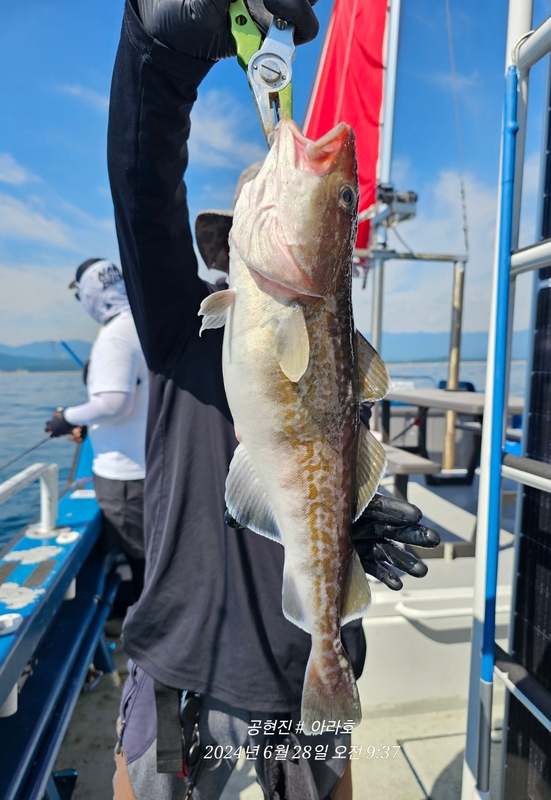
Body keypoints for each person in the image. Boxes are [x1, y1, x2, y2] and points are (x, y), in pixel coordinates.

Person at [106, 2, 440, 798]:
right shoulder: (178, 324)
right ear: (223, 248)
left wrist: (357, 520)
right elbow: (142, 183)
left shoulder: (335, 349)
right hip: (181, 662)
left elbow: (326, 460)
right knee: (147, 781)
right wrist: (155, 46)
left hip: (300, 669)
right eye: (235, 223)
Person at [45, 259, 148, 602]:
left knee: (142, 562)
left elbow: (114, 403)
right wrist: (89, 427)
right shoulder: (143, 326)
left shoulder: (114, 336)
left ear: (91, 295)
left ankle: (147, 626)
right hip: (151, 466)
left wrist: (66, 417)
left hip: (125, 479)